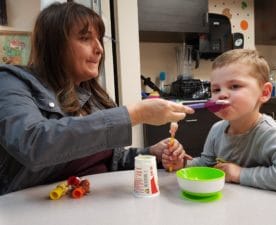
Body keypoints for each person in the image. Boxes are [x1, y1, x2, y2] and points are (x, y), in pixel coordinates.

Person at [0, 2, 194, 195]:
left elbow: (112, 160)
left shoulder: (93, 97)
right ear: (55, 45)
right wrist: (135, 114)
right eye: (85, 38)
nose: (99, 49)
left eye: (100, 39)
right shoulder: (11, 82)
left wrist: (152, 154)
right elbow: (35, 144)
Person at [162, 49, 276, 193]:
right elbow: (207, 164)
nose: (222, 95)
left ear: (264, 93)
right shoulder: (217, 129)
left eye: (235, 86)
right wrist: (182, 164)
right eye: (216, 89)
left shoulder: (269, 133)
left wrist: (239, 174)